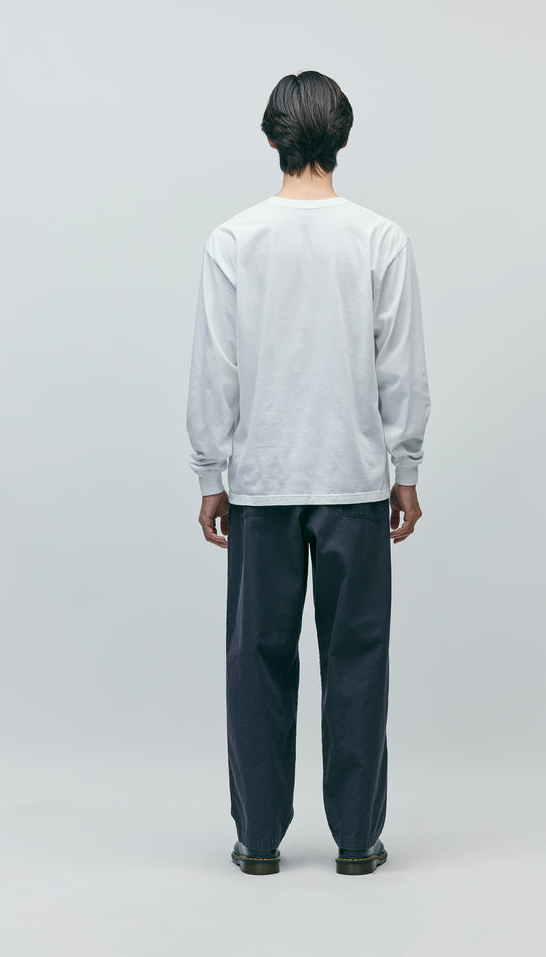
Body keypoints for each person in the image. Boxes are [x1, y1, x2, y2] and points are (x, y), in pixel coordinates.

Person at [185, 70, 431, 876]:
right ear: (343, 138)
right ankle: (357, 842)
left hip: (262, 485)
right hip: (354, 481)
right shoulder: (379, 238)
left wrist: (210, 473)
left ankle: (258, 841)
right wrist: (405, 465)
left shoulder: (234, 240)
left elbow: (214, 369)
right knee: (357, 659)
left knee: (256, 660)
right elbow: (401, 367)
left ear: (271, 139)